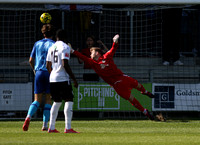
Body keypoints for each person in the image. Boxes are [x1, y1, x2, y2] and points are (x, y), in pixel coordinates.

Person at [71, 34, 155, 120]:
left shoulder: (106, 57)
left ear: (97, 53)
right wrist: (72, 51)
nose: (90, 55)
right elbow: (82, 57)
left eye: (91, 52)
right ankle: (145, 112)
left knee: (137, 84)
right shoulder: (93, 63)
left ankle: (145, 91)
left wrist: (115, 41)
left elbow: (113, 49)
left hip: (121, 77)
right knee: (130, 98)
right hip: (116, 84)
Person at [23, 24, 55, 131]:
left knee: (37, 100)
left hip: (39, 72)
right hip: (49, 72)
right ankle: (45, 125)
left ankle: (28, 117)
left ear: (43, 33)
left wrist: (34, 70)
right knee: (48, 99)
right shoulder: (54, 44)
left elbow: (31, 60)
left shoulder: (37, 44)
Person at [46, 29, 79, 133]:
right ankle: (68, 127)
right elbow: (65, 64)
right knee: (69, 100)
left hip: (52, 78)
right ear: (65, 38)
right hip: (63, 78)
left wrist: (53, 74)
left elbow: (48, 65)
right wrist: (74, 78)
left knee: (56, 101)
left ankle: (51, 127)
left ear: (56, 37)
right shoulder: (65, 47)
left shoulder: (51, 47)